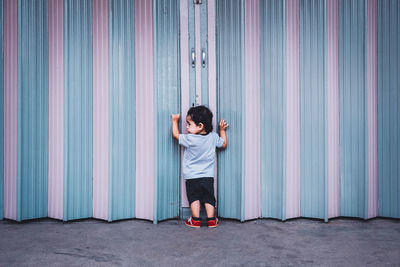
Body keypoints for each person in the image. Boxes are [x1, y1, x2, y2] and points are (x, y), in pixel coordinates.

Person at [171, 105, 228, 228]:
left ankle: (195, 220)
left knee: (194, 197)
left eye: (189, 124)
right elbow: (223, 144)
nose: (186, 127)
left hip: (192, 176)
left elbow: (176, 135)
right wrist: (222, 131)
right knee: (208, 197)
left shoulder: (190, 139)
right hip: (207, 176)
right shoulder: (213, 136)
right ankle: (211, 220)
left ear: (200, 126)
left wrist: (174, 121)